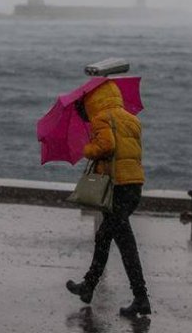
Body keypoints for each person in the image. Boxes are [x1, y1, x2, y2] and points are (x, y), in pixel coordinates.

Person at [66, 80, 151, 317]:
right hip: (133, 185)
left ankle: (141, 297)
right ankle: (89, 286)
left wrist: (88, 149)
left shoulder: (102, 118)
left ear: (94, 100)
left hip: (116, 188)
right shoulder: (131, 119)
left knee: (124, 243)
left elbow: (107, 146)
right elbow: (131, 150)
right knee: (106, 237)